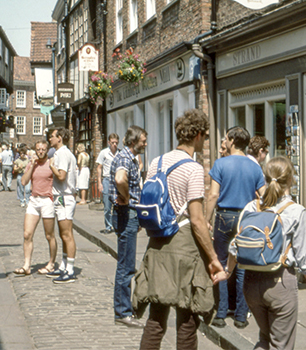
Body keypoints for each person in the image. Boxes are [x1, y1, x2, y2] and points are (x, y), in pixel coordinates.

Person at [134, 109, 226, 349]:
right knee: (186, 319)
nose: (205, 141)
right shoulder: (193, 168)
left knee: (156, 318)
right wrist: (213, 258)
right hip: (183, 245)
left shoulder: (157, 162)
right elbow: (196, 220)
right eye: (205, 136)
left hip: (157, 242)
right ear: (196, 135)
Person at [225, 156, 306, 350]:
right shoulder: (296, 211)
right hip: (280, 284)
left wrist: (227, 272)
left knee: (265, 338)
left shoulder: (251, 207)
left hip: (251, 284)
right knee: (281, 344)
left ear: (265, 178)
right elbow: (305, 259)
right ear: (290, 180)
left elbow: (234, 247)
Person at [206, 126, 266, 329]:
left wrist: (206, 218)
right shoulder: (254, 167)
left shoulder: (220, 164)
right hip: (246, 219)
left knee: (222, 264)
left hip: (224, 217)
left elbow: (213, 195)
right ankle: (241, 315)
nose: (225, 141)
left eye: (226, 138)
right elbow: (264, 195)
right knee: (242, 266)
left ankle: (221, 313)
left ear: (232, 140)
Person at [110, 126, 147, 328]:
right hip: (126, 214)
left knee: (125, 263)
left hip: (128, 214)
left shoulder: (128, 157)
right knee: (126, 265)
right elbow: (119, 179)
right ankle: (123, 312)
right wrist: (126, 197)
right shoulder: (125, 158)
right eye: (142, 140)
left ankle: (123, 309)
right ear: (133, 142)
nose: (145, 143)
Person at [13, 140, 58, 276]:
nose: (40, 151)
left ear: (47, 150)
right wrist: (32, 165)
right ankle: (27, 265)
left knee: (49, 235)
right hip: (34, 199)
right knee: (27, 234)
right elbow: (24, 181)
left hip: (47, 200)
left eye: (43, 149)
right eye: (38, 149)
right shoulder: (32, 163)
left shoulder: (51, 162)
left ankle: (51, 263)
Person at [47, 128, 79, 283]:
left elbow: (61, 176)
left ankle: (70, 270)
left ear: (59, 138)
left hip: (65, 197)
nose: (49, 139)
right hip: (60, 197)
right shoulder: (61, 153)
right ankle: (64, 265)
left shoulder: (61, 154)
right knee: (62, 233)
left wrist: (51, 165)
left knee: (67, 234)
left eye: (51, 136)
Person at [96, 133, 120, 234]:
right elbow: (99, 167)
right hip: (107, 179)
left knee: (117, 204)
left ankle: (115, 225)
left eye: (116, 143)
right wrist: (99, 183)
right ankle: (108, 226)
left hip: (117, 180)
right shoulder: (104, 153)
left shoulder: (120, 153)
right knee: (107, 206)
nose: (114, 145)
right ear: (109, 142)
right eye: (112, 142)